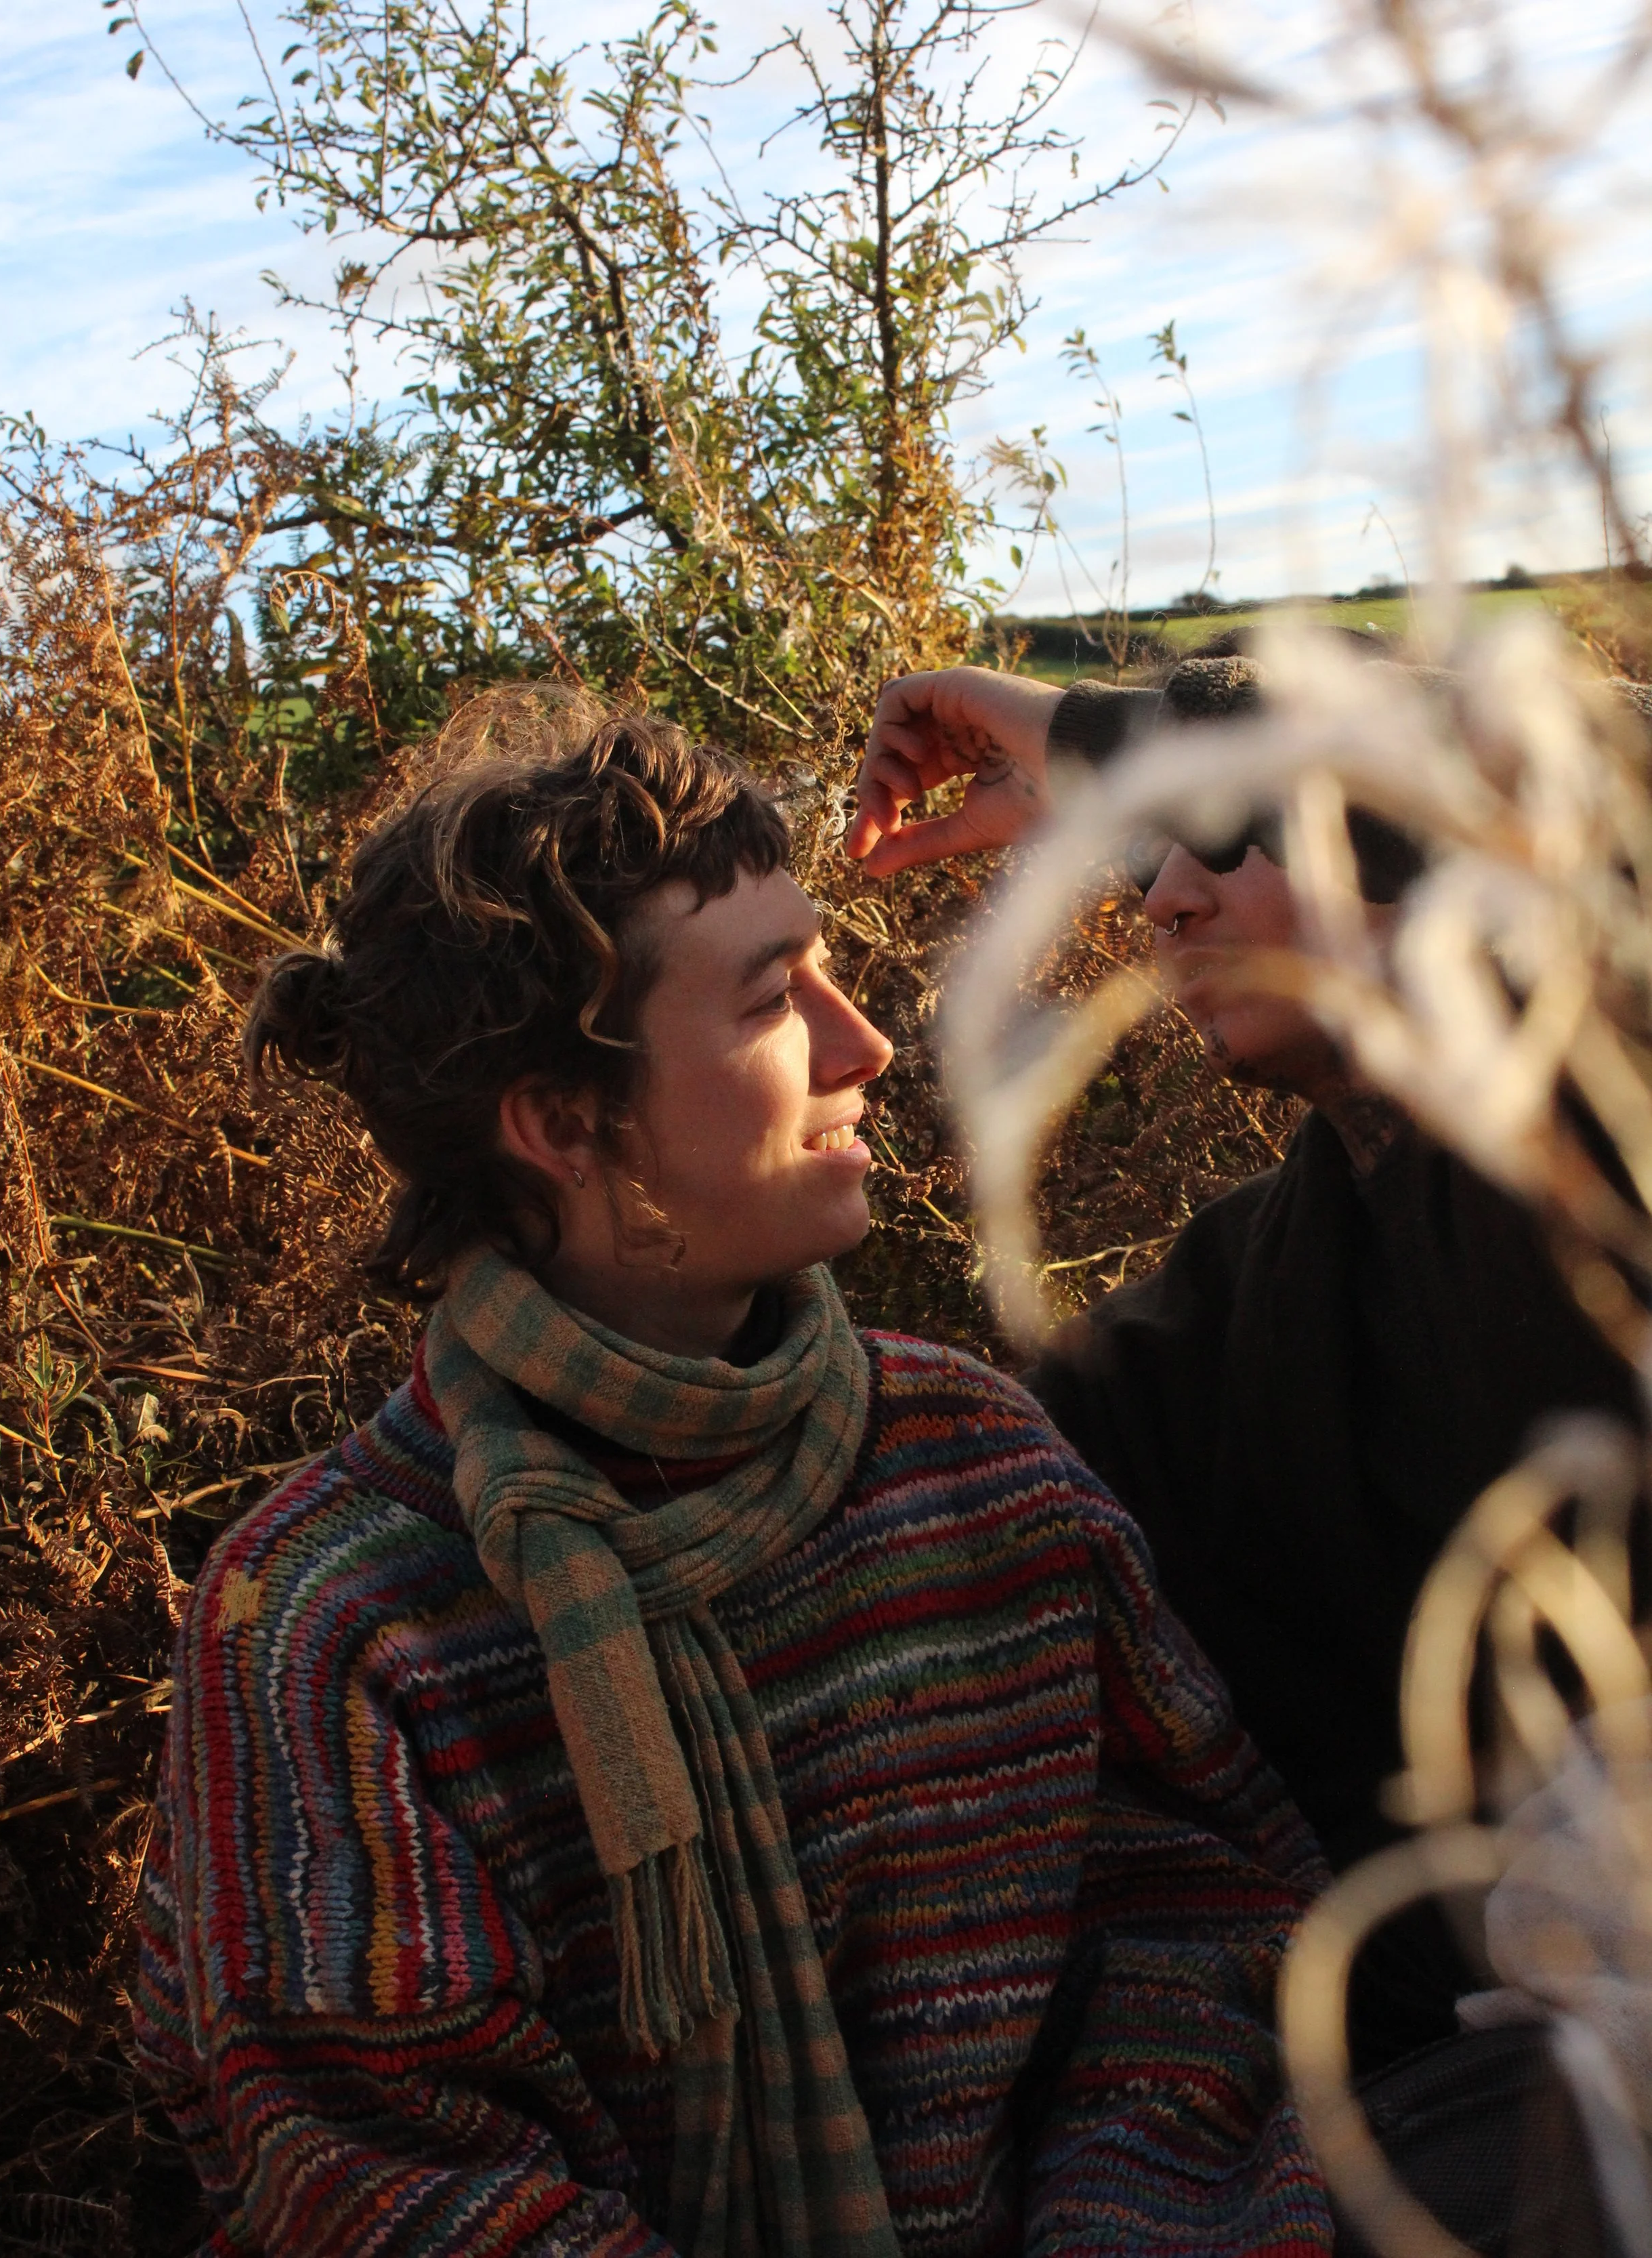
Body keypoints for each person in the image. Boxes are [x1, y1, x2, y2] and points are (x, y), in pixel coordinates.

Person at [133, 702, 1334, 2258]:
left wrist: (1119, 2222)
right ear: (562, 1122)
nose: (865, 1044)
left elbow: (1193, 1917)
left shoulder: (970, 1466)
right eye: (776, 1001)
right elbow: (376, 2176)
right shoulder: (333, 1625)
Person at [849, 654, 1646, 2077]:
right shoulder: (1262, 1285)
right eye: (1148, 853)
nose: (1160, 897)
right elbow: (962, 1479)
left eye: (1238, 833)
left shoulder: (1598, 1126)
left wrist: (1088, 738)